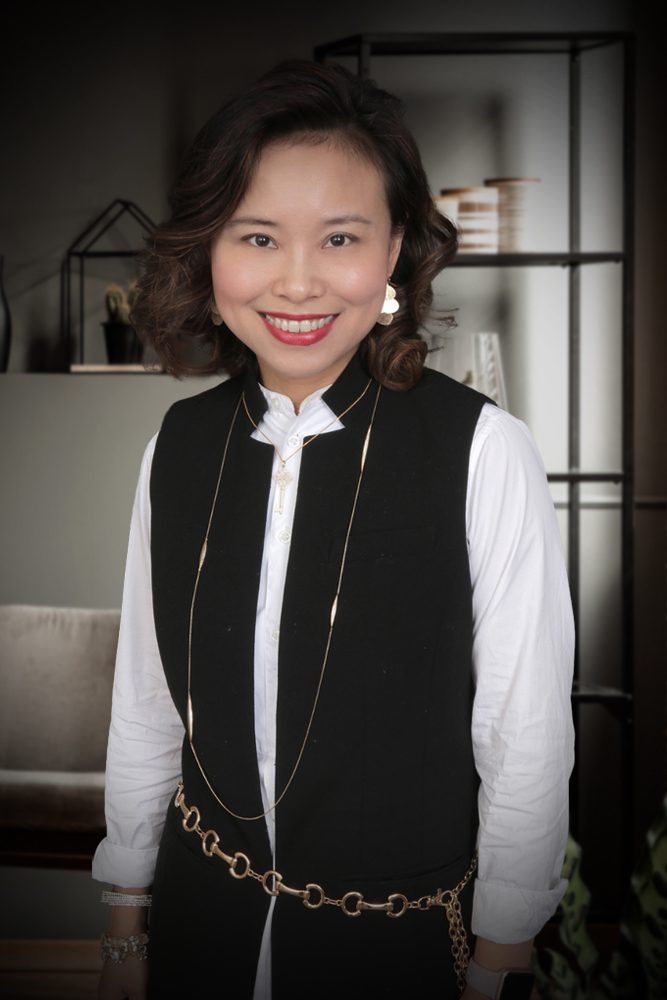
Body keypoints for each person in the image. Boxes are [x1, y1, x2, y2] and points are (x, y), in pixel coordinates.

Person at [93, 58, 575, 1000]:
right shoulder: (181, 445)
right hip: (200, 925)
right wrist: (124, 930)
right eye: (259, 236)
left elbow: (521, 737)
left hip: (402, 947)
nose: (299, 283)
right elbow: (148, 706)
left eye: (341, 237)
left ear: (394, 247)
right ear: (210, 249)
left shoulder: (482, 449)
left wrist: (499, 959)